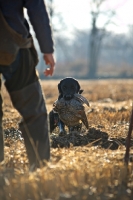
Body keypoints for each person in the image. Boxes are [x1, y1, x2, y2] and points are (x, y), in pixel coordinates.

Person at [0, 0, 56, 170]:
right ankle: (40, 168)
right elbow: (36, 9)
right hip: (12, 46)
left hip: (12, 45)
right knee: (34, 111)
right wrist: (47, 48)